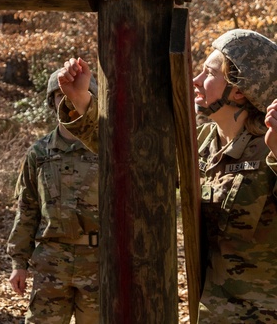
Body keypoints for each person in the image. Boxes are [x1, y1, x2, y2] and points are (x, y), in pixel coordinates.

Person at [56, 30, 277, 323]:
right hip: (212, 313)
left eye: (209, 74)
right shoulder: (199, 142)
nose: (196, 81)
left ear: (238, 90)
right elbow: (135, 161)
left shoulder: (268, 148)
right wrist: (82, 100)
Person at [7, 68, 100, 324]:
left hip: (98, 262)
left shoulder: (107, 147)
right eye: (60, 94)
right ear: (52, 101)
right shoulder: (39, 152)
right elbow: (27, 209)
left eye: (79, 93)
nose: (68, 98)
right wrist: (19, 263)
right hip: (51, 262)